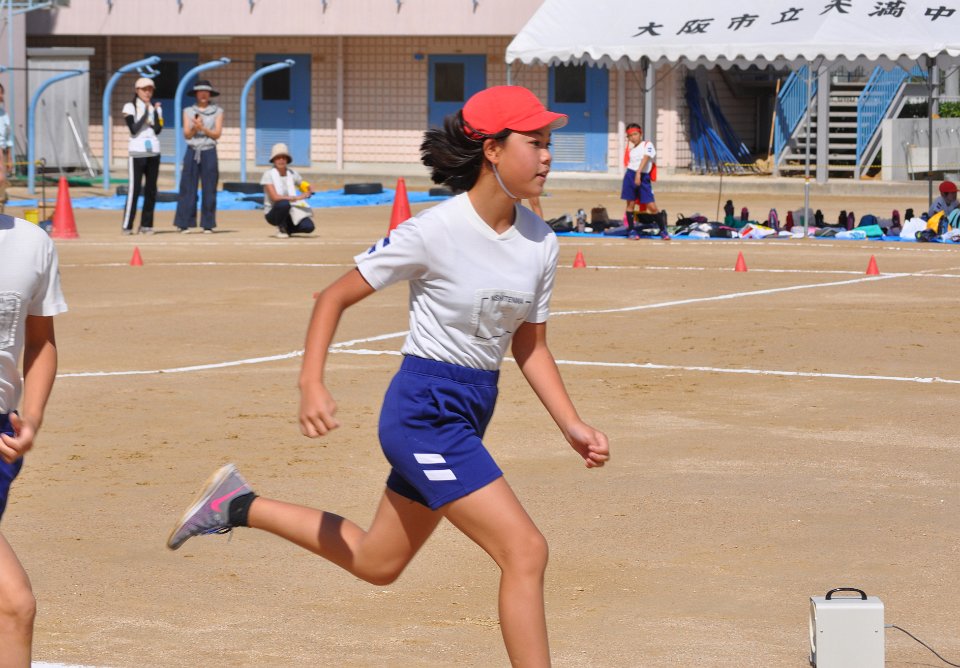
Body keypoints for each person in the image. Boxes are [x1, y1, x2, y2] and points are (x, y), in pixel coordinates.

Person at [167, 85, 610, 667]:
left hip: (471, 410)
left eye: (549, 142)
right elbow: (333, 297)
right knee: (525, 551)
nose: (548, 156)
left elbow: (530, 345)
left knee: (378, 562)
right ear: (492, 150)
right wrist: (311, 382)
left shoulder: (541, 241)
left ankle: (236, 504)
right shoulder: (434, 230)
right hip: (424, 414)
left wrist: (570, 423)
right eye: (535, 142)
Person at [0, 214, 67, 667]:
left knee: (13, 609)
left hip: (3, 436)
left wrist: (33, 416)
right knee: (14, 604)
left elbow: (41, 340)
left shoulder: (32, 243)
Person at [173, 80, 223, 234]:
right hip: (192, 151)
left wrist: (203, 128)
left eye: (206, 92)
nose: (203, 94)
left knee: (210, 188)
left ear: (210, 94)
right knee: (187, 188)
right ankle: (184, 223)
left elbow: (217, 134)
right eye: (200, 91)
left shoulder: (218, 111)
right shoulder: (188, 111)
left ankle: (208, 224)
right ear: (195, 94)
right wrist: (195, 127)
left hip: (209, 151)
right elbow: (187, 134)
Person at [121, 77, 163, 235]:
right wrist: (146, 113)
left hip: (154, 152)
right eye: (144, 89)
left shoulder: (155, 108)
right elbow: (133, 129)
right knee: (134, 189)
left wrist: (155, 113)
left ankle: (146, 225)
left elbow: (158, 129)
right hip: (137, 153)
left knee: (151, 190)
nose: (147, 92)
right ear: (137, 90)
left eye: (150, 89)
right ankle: (127, 225)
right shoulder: (130, 106)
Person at [260, 142, 315, 238]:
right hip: (273, 212)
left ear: (287, 160)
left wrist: (308, 189)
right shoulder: (268, 175)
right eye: (278, 157)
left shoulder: (293, 173)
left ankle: (287, 228)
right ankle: (281, 227)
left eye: (284, 157)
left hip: (291, 210)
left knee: (309, 227)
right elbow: (275, 197)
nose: (281, 160)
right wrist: (297, 197)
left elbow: (302, 184)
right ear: (273, 160)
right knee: (283, 203)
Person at [621, 123, 667, 239]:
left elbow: (646, 157)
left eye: (635, 134)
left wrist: (638, 172)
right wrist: (635, 174)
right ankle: (631, 230)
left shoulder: (647, 144)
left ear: (640, 134)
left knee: (652, 206)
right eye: (630, 136)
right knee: (630, 205)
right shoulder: (631, 150)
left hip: (642, 176)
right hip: (630, 176)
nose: (633, 137)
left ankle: (663, 230)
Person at [0, 83, 13, 210]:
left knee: (2, 180)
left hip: (2, 150)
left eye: (1, 93)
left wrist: (9, 158)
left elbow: (9, 138)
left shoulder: (4, 114)